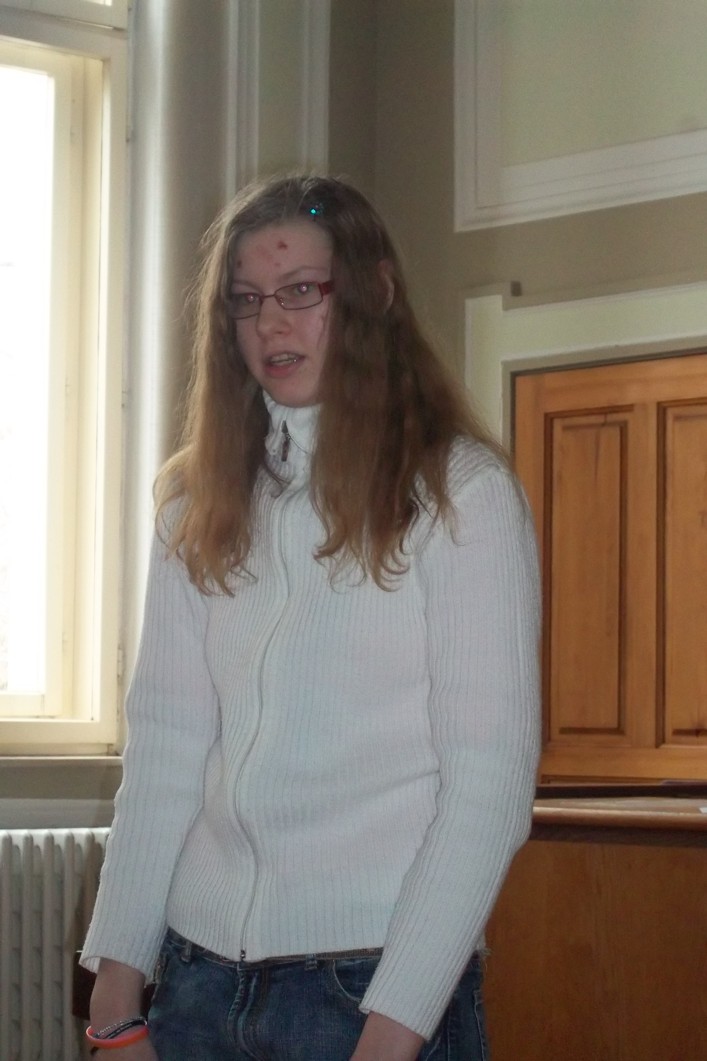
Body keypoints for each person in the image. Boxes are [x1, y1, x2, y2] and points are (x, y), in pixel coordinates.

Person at [81, 173, 541, 1061]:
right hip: (196, 985)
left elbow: (486, 787)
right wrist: (114, 1002)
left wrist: (392, 1031)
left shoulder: (461, 495)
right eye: (246, 299)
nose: (269, 323)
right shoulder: (193, 502)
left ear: (372, 295)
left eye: (299, 291)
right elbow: (167, 747)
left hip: (370, 992)